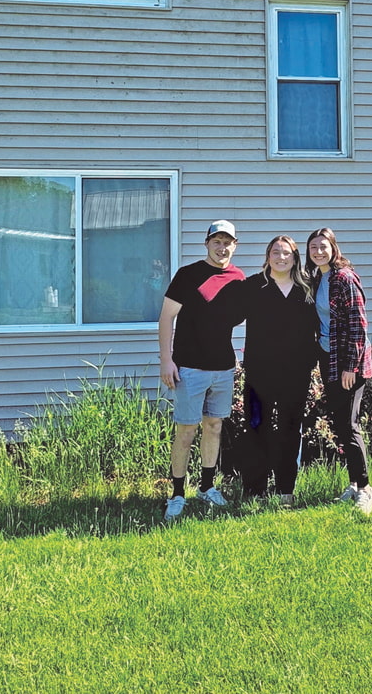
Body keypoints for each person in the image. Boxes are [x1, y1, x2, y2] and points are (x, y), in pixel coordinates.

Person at [158, 220, 245, 521]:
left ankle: (207, 488)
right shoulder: (188, 275)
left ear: (235, 245)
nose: (222, 247)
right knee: (185, 430)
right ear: (207, 243)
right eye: (217, 241)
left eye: (227, 242)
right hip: (189, 368)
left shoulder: (238, 280)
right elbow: (166, 318)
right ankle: (178, 493)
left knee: (214, 427)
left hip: (222, 368)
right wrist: (166, 360)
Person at [237, 235, 319, 505]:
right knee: (256, 426)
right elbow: (226, 315)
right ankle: (255, 490)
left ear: (295, 257)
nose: (281, 257)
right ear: (268, 255)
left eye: (287, 253)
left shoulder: (307, 288)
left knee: (290, 428)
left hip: (296, 373)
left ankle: (286, 489)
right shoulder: (253, 286)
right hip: (260, 372)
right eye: (276, 252)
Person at [306, 227, 372, 516]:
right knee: (340, 424)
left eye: (324, 246)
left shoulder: (344, 278)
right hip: (329, 359)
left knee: (349, 426)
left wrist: (351, 366)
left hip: (349, 363)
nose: (319, 251)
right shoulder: (318, 278)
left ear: (334, 248)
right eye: (313, 247)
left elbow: (359, 325)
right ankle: (352, 483)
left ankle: (366, 489)